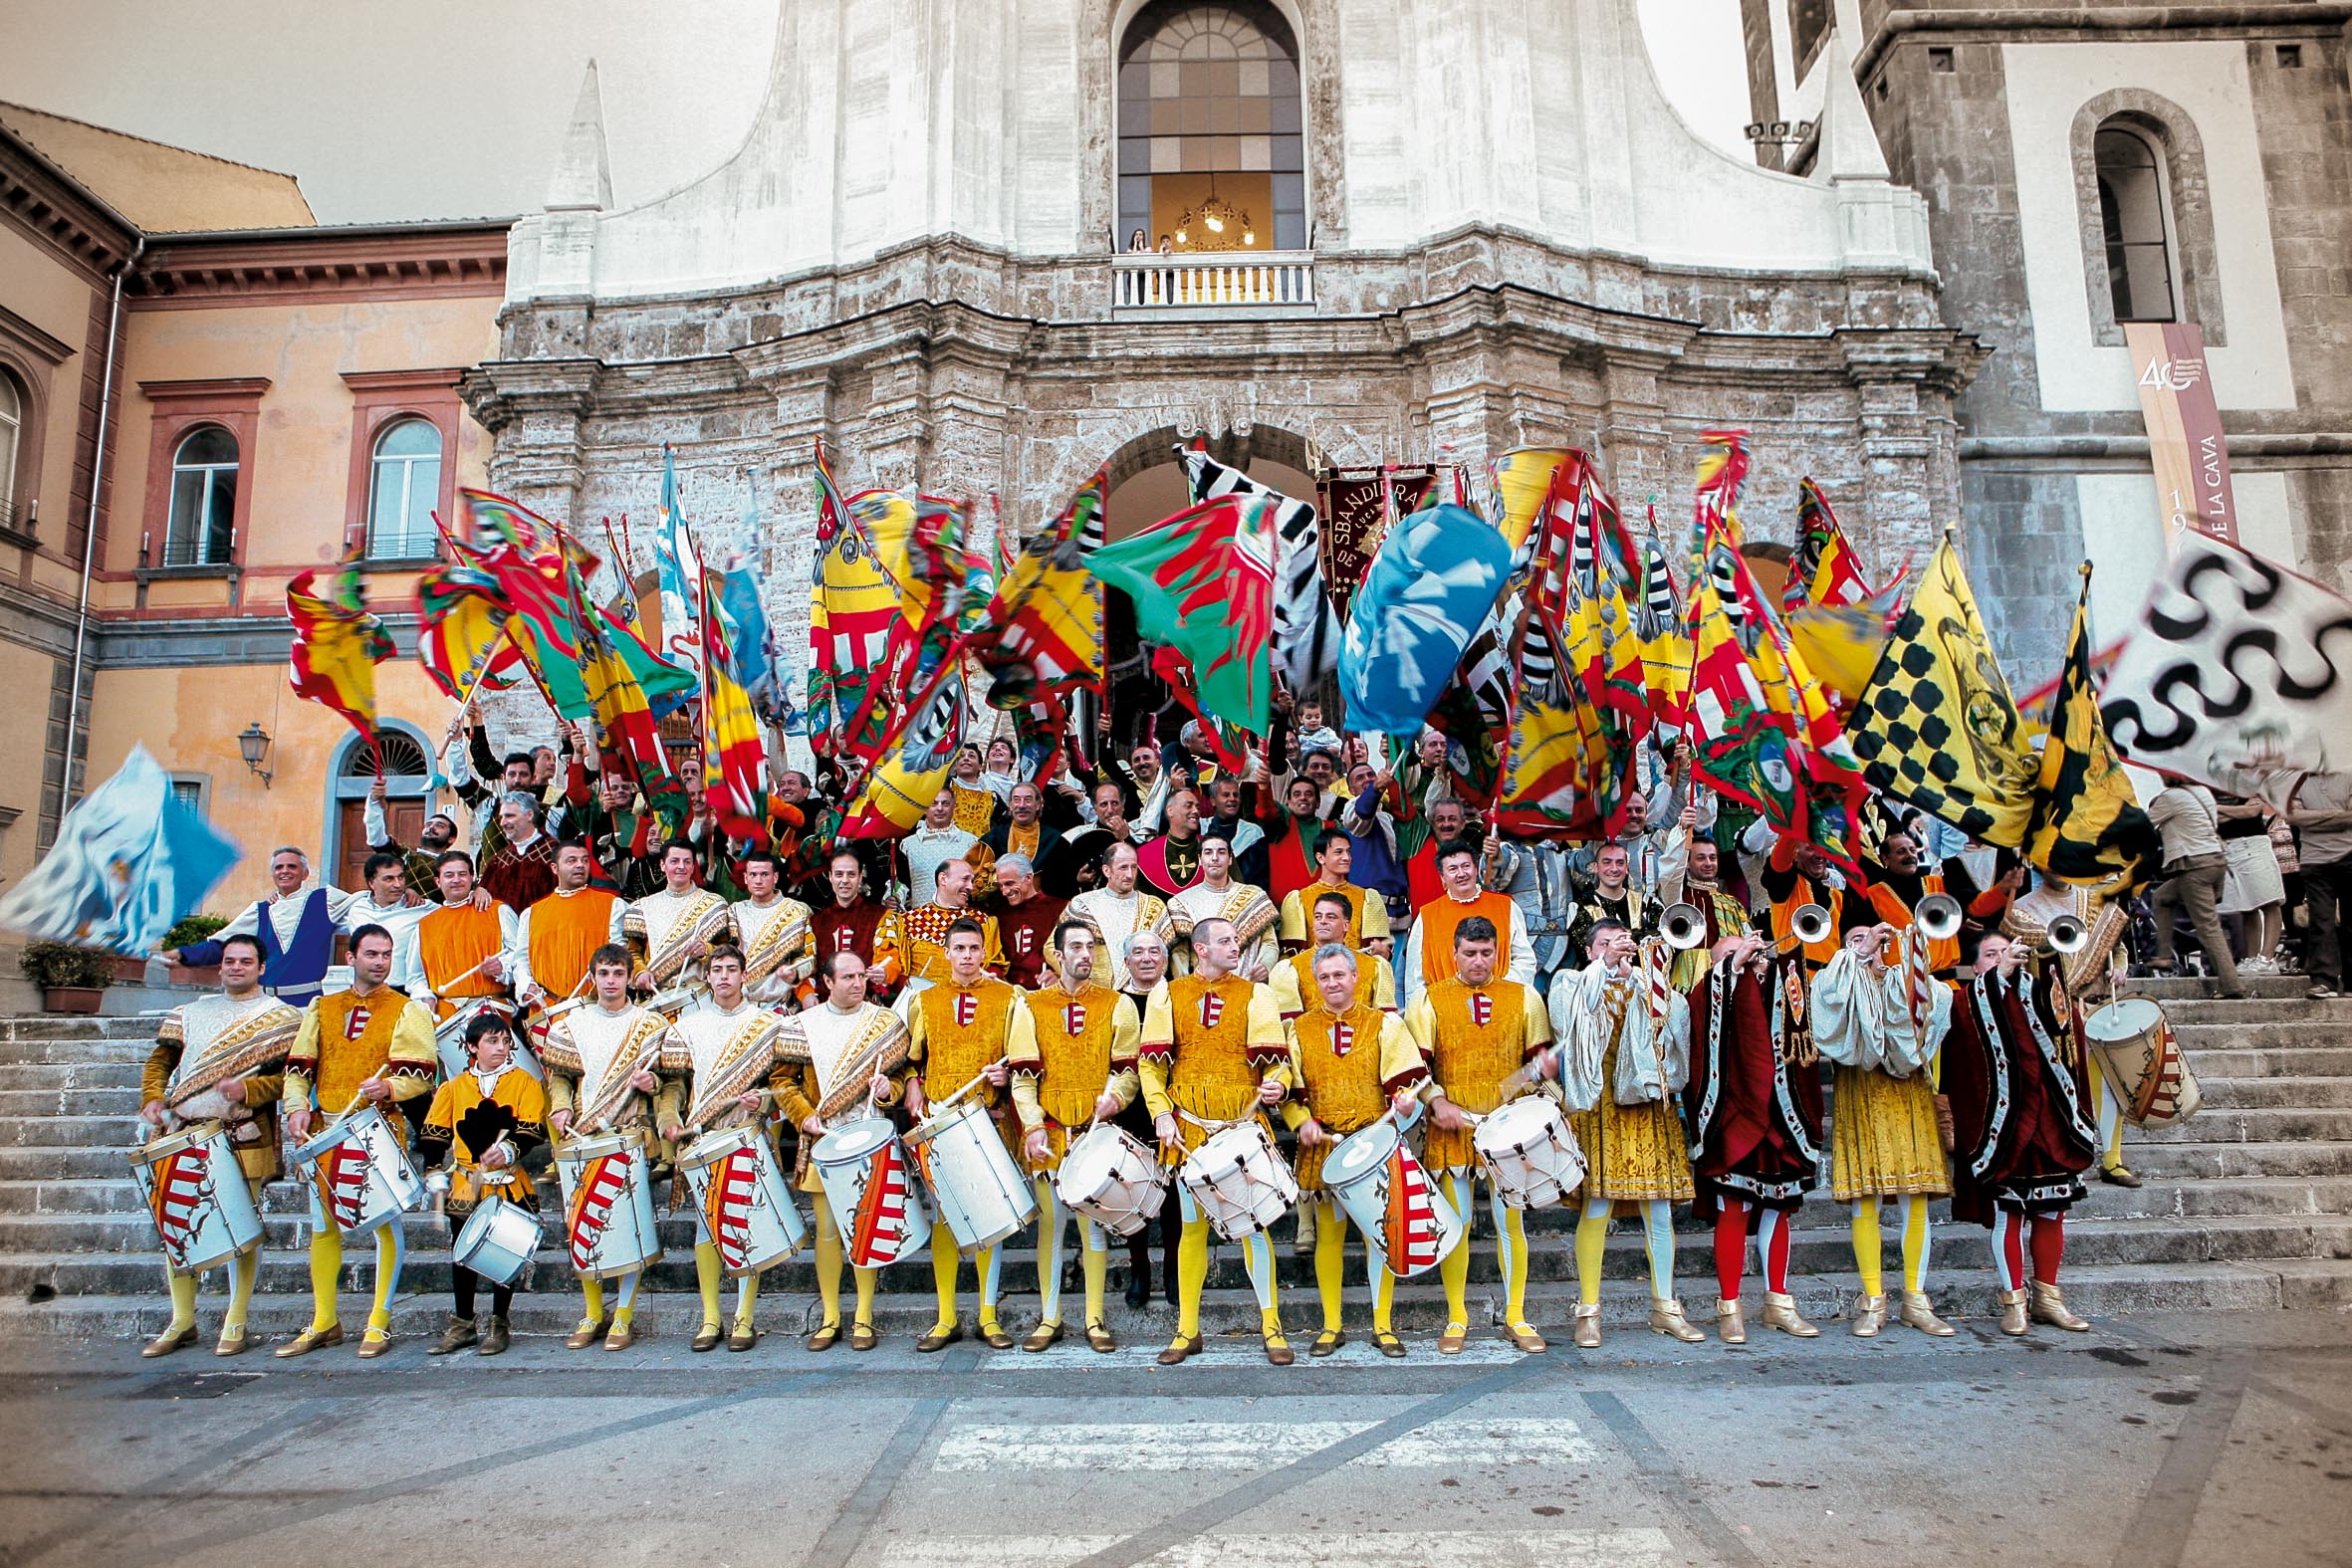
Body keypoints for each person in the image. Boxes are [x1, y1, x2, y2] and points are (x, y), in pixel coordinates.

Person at [1139, 915, 1294, 1366]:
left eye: (1237, 941)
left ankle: (1273, 1327)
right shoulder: (1168, 993)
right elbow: (1152, 1066)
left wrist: (1277, 1085)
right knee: (1191, 1228)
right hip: (1188, 1129)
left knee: (1255, 1226)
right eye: (1226, 941)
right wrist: (1160, 1112)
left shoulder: (1257, 994)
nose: (1236, 948)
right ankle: (1187, 1330)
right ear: (1201, 949)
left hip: (1241, 1128)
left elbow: (1277, 1064)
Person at [278, 924, 438, 1358]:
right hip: (325, 1128)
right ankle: (324, 1320)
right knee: (322, 1226)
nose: (380, 962)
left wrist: (390, 1089)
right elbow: (299, 1067)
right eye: (371, 954)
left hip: (378, 1127)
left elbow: (422, 1073)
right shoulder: (321, 1007)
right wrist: (295, 1107)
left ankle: (378, 1321)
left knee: (384, 1223)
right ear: (351, 958)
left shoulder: (408, 1010)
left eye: (386, 955)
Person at [136, 934, 299, 1357]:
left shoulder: (283, 1017)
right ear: (220, 965)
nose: (236, 967)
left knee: (241, 1230)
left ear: (262, 968)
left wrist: (249, 1089)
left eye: (246, 961)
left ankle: (237, 1317)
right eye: (229, 960)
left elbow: (292, 1079)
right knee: (178, 1225)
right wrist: (153, 1097)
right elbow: (160, 1061)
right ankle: (182, 1320)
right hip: (181, 1130)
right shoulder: (189, 1013)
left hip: (243, 1133)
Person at [1545, 919, 1704, 1347]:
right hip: (1600, 1110)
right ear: (1590, 950)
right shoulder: (1572, 981)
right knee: (1596, 1208)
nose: (1614, 952)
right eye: (1604, 944)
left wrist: (1651, 975)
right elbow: (1568, 1019)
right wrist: (1604, 966)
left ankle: (1666, 1306)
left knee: (1659, 1210)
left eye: (1621, 945)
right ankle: (1589, 1310)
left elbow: (1676, 1032)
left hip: (1647, 1110)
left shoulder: (1648, 987)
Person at [1401, 916, 1553, 1354]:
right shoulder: (1429, 999)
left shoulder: (1525, 997)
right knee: (1458, 1223)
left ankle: (1516, 1316)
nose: (1479, 961)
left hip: (1508, 1127)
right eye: (1470, 953)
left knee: (1511, 1223)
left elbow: (1538, 1062)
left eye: (1487, 953)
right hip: (1453, 1125)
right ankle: (1456, 1316)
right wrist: (1435, 1101)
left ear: (1498, 953)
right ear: (1454, 953)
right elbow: (1414, 1068)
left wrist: (1536, 1085)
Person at [1940, 934, 2101, 1335]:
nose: (2001, 958)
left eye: (2006, 952)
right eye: (1990, 955)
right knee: (2008, 1216)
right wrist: (1997, 978)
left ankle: (2048, 1296)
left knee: (2052, 1211)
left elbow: (2068, 1039)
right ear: (1975, 967)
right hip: (2004, 1129)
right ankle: (2014, 1300)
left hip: (2049, 1120)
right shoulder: (1964, 1000)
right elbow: (1963, 1031)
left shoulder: (2039, 993)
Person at [1811, 924, 1955, 1337]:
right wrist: (1857, 954)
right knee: (1865, 1198)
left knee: (1916, 1195)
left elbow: (1938, 1004)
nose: (1871, 945)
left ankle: (1915, 1298)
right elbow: (1826, 1000)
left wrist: (1909, 958)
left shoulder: (1904, 982)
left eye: (1877, 940)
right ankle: (1872, 1299)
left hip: (1908, 1094)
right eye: (1856, 939)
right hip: (1861, 1092)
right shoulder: (1839, 979)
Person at [1284, 943, 1426, 1357]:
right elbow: (1291, 1097)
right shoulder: (1298, 1029)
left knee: (1379, 1235)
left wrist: (1406, 1102)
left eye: (1339, 975)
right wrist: (1300, 1122)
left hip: (1373, 1144)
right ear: (1316, 982)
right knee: (1329, 1235)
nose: (1332, 983)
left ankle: (1383, 1325)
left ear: (1355, 977)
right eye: (1324, 977)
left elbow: (1406, 1083)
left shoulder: (1385, 1025)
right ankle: (1332, 1326)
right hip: (1325, 1147)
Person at [1683, 931, 1824, 1344]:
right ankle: (1730, 1306)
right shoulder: (1709, 990)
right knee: (1735, 1208)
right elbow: (1704, 1023)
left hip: (1780, 1116)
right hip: (1733, 1117)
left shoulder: (1781, 987)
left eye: (1750, 951)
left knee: (1778, 1209)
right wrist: (1732, 965)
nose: (1746, 958)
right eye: (1728, 955)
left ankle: (1778, 1301)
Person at [900, 919, 1036, 1350]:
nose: (966, 956)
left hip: (989, 1119)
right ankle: (945, 1318)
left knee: (989, 1217)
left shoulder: (1009, 997)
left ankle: (988, 1316)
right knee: (946, 1217)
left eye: (974, 948)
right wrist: (912, 1085)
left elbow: (1027, 1055)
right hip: (941, 1123)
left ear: (984, 951)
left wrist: (1006, 1073)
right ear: (946, 952)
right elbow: (909, 1060)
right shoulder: (925, 1001)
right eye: (958, 948)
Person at [1009, 921, 1142, 1352]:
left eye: (1092, 946)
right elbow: (1023, 1079)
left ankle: (1094, 1318)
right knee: (1051, 1227)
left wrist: (1116, 1098)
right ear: (1059, 956)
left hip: (1096, 1134)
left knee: (1094, 1229)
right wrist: (1030, 1125)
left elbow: (1128, 1071)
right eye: (1077, 947)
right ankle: (1050, 1318)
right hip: (1050, 1131)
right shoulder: (1030, 1006)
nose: (1086, 954)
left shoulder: (1117, 1004)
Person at [774, 950, 914, 1351]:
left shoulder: (884, 1023)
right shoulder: (803, 1025)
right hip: (824, 1142)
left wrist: (892, 1091)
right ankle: (831, 1316)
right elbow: (783, 1082)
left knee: (865, 1229)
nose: (857, 983)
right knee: (830, 1233)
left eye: (860, 976)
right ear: (828, 983)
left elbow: (903, 1075)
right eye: (847, 977)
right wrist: (804, 1117)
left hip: (869, 1138)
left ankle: (865, 1316)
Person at [541, 943, 677, 1351]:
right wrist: (561, 1108)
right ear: (593, 977)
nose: (612, 981)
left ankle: (623, 1315)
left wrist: (651, 1086)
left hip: (631, 1132)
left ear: (629, 977)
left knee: (628, 1226)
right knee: (583, 1225)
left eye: (619, 973)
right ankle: (592, 1311)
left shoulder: (651, 1025)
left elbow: (671, 1083)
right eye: (604, 974)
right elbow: (560, 1078)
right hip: (582, 1133)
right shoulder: (571, 1024)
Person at [661, 945, 789, 1351]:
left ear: (743, 975)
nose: (723, 977)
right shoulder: (688, 1025)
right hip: (702, 1138)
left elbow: (782, 1083)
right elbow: (675, 1085)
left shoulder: (765, 1024)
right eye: (716, 970)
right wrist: (668, 1118)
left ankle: (744, 1317)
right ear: (707, 976)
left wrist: (763, 1102)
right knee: (706, 1227)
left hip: (746, 1132)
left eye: (732, 969)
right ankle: (710, 1317)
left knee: (745, 1222)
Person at [419, 1010, 547, 1356]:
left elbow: (533, 1127)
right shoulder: (454, 1087)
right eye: (492, 1041)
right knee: (462, 1254)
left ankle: (499, 1322)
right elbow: (435, 1133)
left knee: (506, 1251)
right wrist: (433, 1168)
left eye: (506, 1041)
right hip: (465, 1183)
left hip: (508, 1180)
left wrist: (508, 1148)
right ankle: (462, 1323)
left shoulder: (524, 1082)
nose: (502, 1048)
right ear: (472, 1046)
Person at [166, 846, 362, 1007]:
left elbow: (365, 907)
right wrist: (184, 955)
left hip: (308, 1004)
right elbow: (224, 944)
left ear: (305, 873)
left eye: (291, 866)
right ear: (273, 874)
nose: (284, 871)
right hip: (264, 1005)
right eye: (279, 868)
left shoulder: (325, 900)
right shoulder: (261, 910)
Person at [1116, 928, 1175, 1309]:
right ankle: (1140, 1267)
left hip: (1170, 1103)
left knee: (1170, 1191)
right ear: (1126, 962)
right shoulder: (1115, 1002)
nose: (1148, 958)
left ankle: (1172, 1266)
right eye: (1139, 952)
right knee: (1131, 1189)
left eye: (1155, 951)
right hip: (1128, 1105)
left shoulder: (1178, 997)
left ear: (1166, 959)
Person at [2144, 781, 2246, 998]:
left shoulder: (2170, 798)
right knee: (2162, 897)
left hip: (2194, 866)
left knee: (2208, 928)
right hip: (2215, 862)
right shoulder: (2203, 792)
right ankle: (2164, 955)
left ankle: (2231, 985)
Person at [1403, 837, 1533, 1006]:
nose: (1461, 874)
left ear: (1475, 868)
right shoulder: (1427, 916)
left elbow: (1524, 959)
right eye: (1452, 869)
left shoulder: (1506, 907)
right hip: (1447, 1009)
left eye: (1466, 866)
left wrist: (1500, 992)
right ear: (1442, 877)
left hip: (1502, 1004)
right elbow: (1416, 978)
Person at [511, 841, 625, 1009]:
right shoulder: (531, 913)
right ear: (554, 868)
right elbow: (521, 960)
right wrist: (527, 986)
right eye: (571, 861)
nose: (580, 865)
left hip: (598, 1007)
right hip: (547, 1009)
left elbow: (621, 954)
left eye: (585, 860)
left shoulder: (613, 905)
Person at [621, 840, 733, 998]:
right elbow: (633, 952)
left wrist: (706, 950)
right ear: (662, 865)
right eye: (674, 861)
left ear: (693, 866)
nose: (681, 866)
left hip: (700, 995)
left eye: (687, 861)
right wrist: (639, 973)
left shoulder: (714, 904)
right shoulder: (642, 907)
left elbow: (730, 953)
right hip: (655, 996)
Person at [1657, 803, 1750, 992]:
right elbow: (1670, 874)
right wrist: (1681, 830)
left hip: (1731, 980)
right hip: (1688, 980)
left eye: (1712, 858)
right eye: (1701, 858)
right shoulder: (1679, 895)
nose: (1708, 863)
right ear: (1688, 863)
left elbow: (1746, 938)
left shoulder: (1733, 904)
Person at [415, 850, 517, 1018]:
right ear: (437, 881)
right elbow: (416, 975)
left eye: (462, 874)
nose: (456, 880)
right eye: (449, 875)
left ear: (472, 878)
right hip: (445, 1016)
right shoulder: (425, 925)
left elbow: (521, 956)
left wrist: (501, 968)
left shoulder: (498, 911)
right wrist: (425, 997)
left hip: (492, 1012)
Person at [1269, 890, 1398, 1021]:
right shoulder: (1291, 969)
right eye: (1318, 917)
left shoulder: (1375, 966)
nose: (1322, 921)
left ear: (1346, 925)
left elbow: (1386, 1023)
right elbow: (1289, 1028)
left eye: (1331, 917)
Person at [1165, 829, 1279, 980]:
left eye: (1221, 852)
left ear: (1230, 858)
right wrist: (1185, 983)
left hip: (1249, 987)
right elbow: (1180, 952)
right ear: (1199, 860)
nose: (1214, 858)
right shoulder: (1182, 902)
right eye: (1208, 852)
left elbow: (1269, 943)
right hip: (1204, 991)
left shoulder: (1254, 896)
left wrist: (1265, 964)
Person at [883, 855, 1007, 988]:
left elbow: (995, 966)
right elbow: (897, 972)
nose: (971, 887)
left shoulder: (982, 921)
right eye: (965, 879)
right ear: (943, 879)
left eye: (972, 881)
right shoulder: (909, 920)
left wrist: (988, 978)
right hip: (922, 1003)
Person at [1064, 841, 1174, 992]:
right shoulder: (1083, 904)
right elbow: (1053, 947)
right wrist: (1071, 974)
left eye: (1133, 867)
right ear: (1107, 870)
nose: (1129, 875)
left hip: (1145, 995)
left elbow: (1168, 953)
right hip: (1094, 994)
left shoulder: (1154, 906)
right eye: (1123, 868)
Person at [2288, 772, 2351, 1000]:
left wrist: (2311, 817)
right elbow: (2291, 816)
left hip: (2348, 854)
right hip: (2314, 859)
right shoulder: (2297, 780)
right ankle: (2324, 981)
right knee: (2320, 921)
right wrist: (2336, 815)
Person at [1278, 832, 1391, 956]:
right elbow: (1290, 955)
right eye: (1339, 852)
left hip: (1358, 971)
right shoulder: (1299, 899)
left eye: (1348, 852)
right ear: (1320, 858)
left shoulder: (1367, 898)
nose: (1346, 857)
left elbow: (1380, 955)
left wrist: (1382, 952)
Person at [730, 848, 816, 1006]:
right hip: (741, 1004)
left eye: (764, 874)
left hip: (781, 1004)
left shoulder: (796, 911)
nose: (758, 880)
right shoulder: (735, 911)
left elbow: (809, 958)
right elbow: (726, 954)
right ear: (745, 878)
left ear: (775, 877)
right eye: (753, 875)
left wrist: (795, 973)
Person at [811, 845, 898, 992]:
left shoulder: (881, 916)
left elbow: (890, 959)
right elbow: (809, 969)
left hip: (866, 1000)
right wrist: (807, 994)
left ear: (860, 876)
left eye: (851, 874)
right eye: (839, 874)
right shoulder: (816, 922)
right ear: (830, 876)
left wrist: (885, 972)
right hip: (825, 1004)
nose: (845, 880)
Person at [2216, 793, 2286, 975]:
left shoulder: (2247, 781)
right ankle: (2251, 957)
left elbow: (2252, 811)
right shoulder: (2208, 784)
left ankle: (2267, 958)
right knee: (2247, 906)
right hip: (2228, 848)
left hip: (2253, 844)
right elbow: (2208, 817)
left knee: (2269, 901)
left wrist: (2214, 807)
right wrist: (2237, 811)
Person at [344, 851, 432, 994]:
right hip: (360, 991)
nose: (397, 884)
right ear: (372, 883)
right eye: (389, 879)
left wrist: (479, 891)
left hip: (401, 991)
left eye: (401, 877)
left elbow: (453, 909)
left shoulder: (421, 908)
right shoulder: (356, 909)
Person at [1564, 842, 1656, 965]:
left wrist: (1610, 942)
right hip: (1600, 980)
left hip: (1641, 979)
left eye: (1620, 863)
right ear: (1596, 867)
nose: (1614, 869)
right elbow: (1585, 951)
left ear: (1626, 868)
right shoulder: (1579, 907)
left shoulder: (1647, 903)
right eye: (1607, 862)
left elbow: (1659, 940)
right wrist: (1635, 938)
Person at [990, 853, 1065, 990]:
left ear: (1029, 878)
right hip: (1009, 996)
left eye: (1009, 883)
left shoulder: (1061, 909)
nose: (1004, 892)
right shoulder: (997, 916)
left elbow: (1076, 953)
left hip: (1048, 994)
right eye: (1001, 886)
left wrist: (1060, 976)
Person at [480, 792, 560, 913]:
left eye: (509, 816)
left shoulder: (555, 852)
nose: (502, 823)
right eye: (501, 817)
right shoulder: (498, 861)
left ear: (529, 815)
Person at [905, 788, 984, 907]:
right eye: (934, 803)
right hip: (921, 920)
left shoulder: (970, 842)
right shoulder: (908, 845)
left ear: (954, 807)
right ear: (925, 808)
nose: (940, 808)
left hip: (961, 920)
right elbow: (900, 883)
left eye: (945, 804)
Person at [1135, 785, 1205, 898]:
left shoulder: (1215, 848)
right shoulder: (1145, 854)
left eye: (1197, 806)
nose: (1196, 811)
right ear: (1170, 811)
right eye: (1189, 806)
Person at [984, 780, 1063, 866]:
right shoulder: (994, 837)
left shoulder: (1053, 839)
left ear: (1038, 805)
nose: (1022, 805)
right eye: (1017, 800)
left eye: (1028, 800)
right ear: (1010, 805)